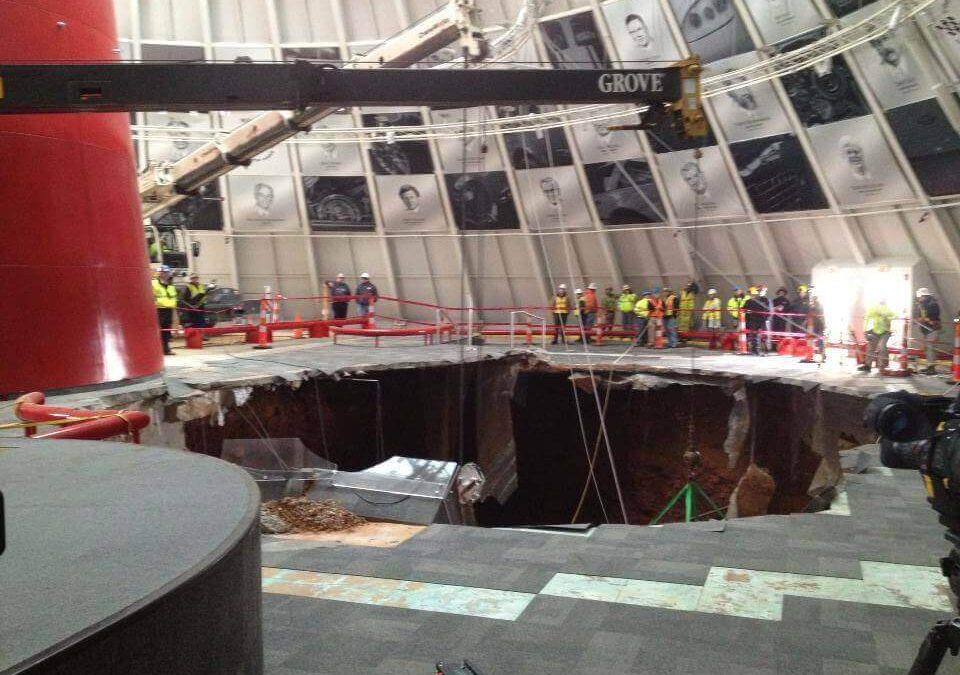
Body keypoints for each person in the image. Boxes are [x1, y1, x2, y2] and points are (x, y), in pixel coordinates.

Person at [859, 299, 896, 373]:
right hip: (875, 331)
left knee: (882, 346)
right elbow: (867, 317)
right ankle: (868, 365)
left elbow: (895, 316)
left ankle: (882, 367)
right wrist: (865, 330)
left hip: (885, 332)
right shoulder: (874, 310)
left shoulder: (888, 311)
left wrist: (886, 317)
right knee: (871, 346)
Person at [152, 265, 178, 356]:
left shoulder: (171, 286)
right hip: (158, 310)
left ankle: (166, 349)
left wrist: (175, 316)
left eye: (166, 272)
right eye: (163, 272)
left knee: (166, 331)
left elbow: (173, 300)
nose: (165, 274)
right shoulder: (153, 283)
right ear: (159, 273)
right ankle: (156, 350)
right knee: (158, 330)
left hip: (169, 310)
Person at [916, 287, 941, 375]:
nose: (919, 299)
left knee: (931, 348)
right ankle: (929, 366)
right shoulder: (921, 305)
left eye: (920, 297)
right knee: (927, 349)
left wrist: (926, 319)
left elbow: (934, 317)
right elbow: (920, 317)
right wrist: (921, 319)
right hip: (925, 329)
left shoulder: (933, 304)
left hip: (932, 329)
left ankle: (932, 368)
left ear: (924, 296)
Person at [742, 287, 768, 355]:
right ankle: (755, 350)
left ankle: (764, 349)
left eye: (752, 293)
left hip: (761, 320)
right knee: (754, 336)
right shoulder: (748, 301)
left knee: (763, 336)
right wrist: (747, 312)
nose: (751, 295)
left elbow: (766, 310)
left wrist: (765, 318)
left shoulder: (763, 300)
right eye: (751, 294)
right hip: (753, 321)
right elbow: (743, 310)